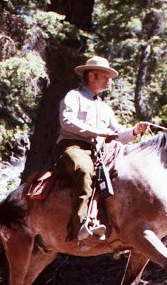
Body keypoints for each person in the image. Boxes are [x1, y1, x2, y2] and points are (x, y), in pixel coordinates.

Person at [57, 56, 149, 241]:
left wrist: (135, 131)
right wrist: (98, 132)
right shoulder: (74, 96)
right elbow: (66, 122)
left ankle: (110, 223)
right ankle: (80, 226)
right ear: (91, 75)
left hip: (99, 150)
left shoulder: (105, 108)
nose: (109, 80)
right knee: (84, 170)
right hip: (74, 146)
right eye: (105, 76)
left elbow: (118, 133)